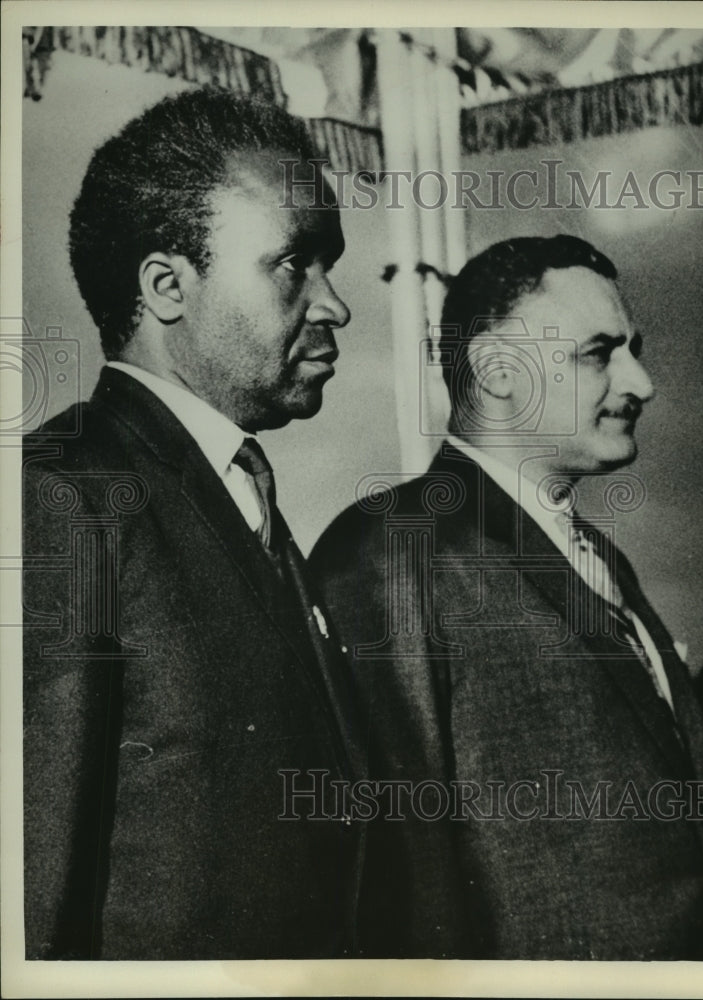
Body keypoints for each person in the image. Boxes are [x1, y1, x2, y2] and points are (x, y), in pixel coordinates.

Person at [309, 235, 703, 960]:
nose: (643, 381)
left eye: (636, 348)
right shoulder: (394, 550)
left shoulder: (602, 558)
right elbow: (403, 878)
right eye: (600, 353)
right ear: (496, 370)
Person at [23, 87, 364, 960]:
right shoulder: (62, 498)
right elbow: (29, 904)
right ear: (168, 286)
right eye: (295, 263)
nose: (335, 306)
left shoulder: (243, 500)